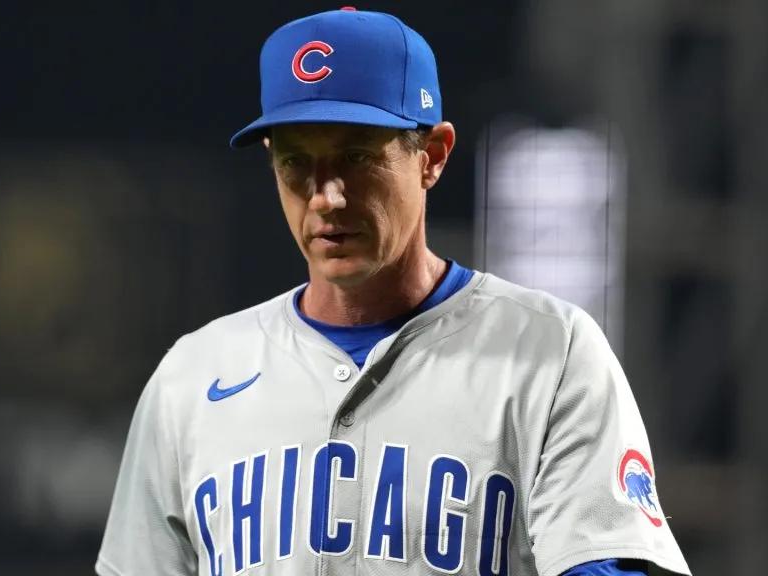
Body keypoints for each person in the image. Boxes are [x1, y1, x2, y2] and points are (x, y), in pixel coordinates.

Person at [96, 7, 692, 576]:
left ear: (431, 156)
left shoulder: (549, 353)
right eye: (296, 163)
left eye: (355, 157)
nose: (325, 196)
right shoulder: (193, 377)